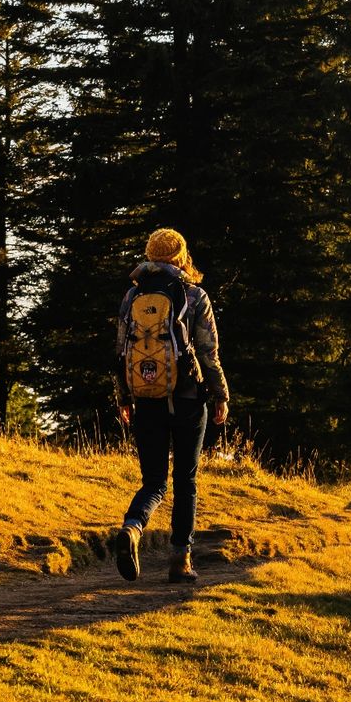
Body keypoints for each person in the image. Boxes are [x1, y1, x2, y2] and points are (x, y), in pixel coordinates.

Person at [114, 227, 230, 584]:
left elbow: (120, 352)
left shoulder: (132, 295)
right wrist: (221, 394)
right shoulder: (194, 295)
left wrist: (123, 398)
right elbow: (208, 354)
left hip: (145, 398)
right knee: (185, 480)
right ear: (181, 256)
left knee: (153, 481)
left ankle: (133, 528)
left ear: (150, 256)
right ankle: (180, 561)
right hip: (188, 399)